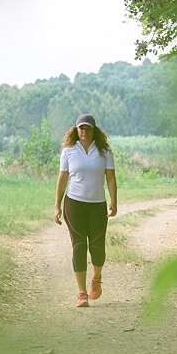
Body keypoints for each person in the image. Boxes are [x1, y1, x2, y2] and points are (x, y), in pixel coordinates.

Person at [54, 114, 118, 307]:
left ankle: (96, 277)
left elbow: (111, 178)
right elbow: (63, 179)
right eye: (81, 128)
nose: (84, 131)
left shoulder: (104, 151)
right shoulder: (68, 151)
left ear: (94, 130)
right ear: (76, 130)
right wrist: (57, 205)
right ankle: (82, 293)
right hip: (74, 204)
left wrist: (113, 202)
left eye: (88, 128)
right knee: (79, 246)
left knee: (97, 248)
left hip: (97, 205)